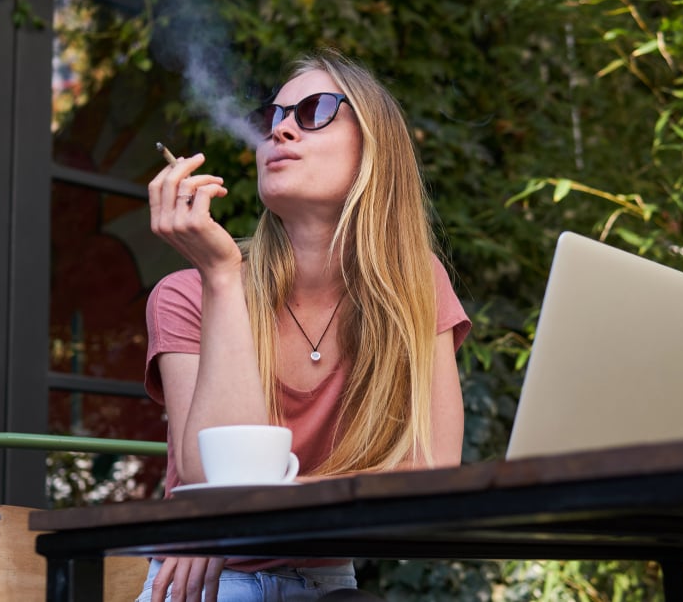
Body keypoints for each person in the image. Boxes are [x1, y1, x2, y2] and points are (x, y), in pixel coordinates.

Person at [139, 49, 471, 602]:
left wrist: (262, 500)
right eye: (273, 117)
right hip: (212, 586)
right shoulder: (188, 293)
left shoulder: (416, 286)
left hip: (330, 587)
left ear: (374, 148)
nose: (283, 129)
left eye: (313, 110)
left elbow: (431, 477)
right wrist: (222, 278)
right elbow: (214, 479)